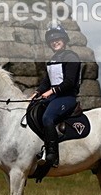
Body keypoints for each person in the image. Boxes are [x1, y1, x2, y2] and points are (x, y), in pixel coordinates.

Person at [31, 23, 81, 168]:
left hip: (67, 97)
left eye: (58, 38)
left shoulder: (72, 57)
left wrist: (51, 92)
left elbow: (70, 82)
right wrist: (36, 93)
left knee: (48, 117)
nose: (55, 41)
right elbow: (47, 81)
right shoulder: (52, 59)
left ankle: (52, 156)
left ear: (64, 40)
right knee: (35, 111)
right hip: (54, 96)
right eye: (52, 40)